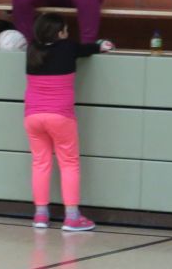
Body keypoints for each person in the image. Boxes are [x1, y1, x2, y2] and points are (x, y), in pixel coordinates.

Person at [24, 12, 112, 231]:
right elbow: (90, 48)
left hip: (32, 116)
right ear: (60, 33)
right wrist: (102, 45)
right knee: (69, 163)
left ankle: (40, 215)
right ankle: (72, 217)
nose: (68, 33)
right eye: (65, 29)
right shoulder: (68, 48)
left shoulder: (32, 50)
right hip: (60, 117)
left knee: (40, 163)